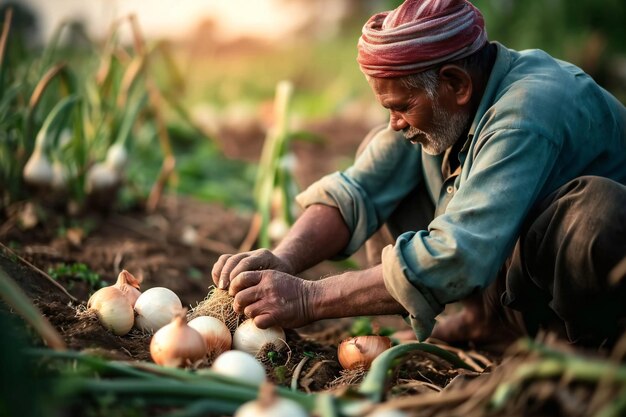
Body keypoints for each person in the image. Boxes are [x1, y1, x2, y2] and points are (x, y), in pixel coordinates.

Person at [211, 0, 626, 348]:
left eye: (402, 106)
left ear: (456, 83)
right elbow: (359, 189)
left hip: (573, 292)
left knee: (595, 214)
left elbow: (457, 254)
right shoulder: (449, 103)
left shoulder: (527, 111)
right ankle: (488, 322)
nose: (395, 121)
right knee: (387, 152)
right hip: (513, 279)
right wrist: (285, 258)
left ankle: (585, 351)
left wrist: (308, 299)